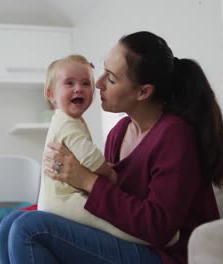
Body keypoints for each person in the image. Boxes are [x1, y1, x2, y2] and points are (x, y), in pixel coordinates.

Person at [0, 31, 223, 264]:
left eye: (110, 78)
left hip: (168, 254)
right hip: (129, 241)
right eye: (102, 71)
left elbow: (159, 227)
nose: (97, 83)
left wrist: (87, 180)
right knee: (12, 222)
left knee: (29, 229)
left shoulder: (176, 136)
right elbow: (109, 205)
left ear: (143, 92)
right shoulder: (118, 133)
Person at [37, 54, 156, 245]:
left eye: (85, 83)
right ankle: (146, 239)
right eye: (69, 83)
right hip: (64, 200)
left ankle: (148, 237)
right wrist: (110, 174)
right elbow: (90, 158)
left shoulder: (70, 121)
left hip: (61, 197)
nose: (79, 88)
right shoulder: (66, 123)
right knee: (104, 220)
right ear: (51, 94)